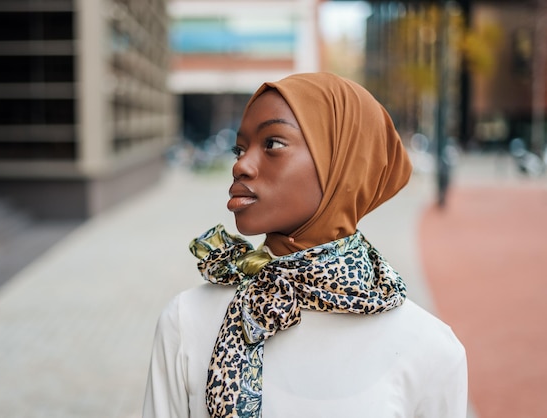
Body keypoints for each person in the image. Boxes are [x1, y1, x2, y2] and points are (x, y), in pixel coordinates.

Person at [143, 72, 467, 418]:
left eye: (272, 144)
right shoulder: (186, 322)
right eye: (240, 148)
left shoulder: (432, 351)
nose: (240, 164)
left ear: (343, 165)